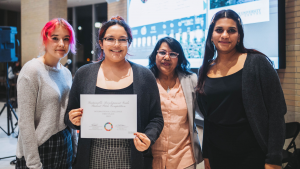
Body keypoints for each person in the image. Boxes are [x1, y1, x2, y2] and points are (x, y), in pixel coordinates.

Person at [64, 16, 164, 169]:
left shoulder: (145, 76)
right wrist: (73, 119)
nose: (116, 44)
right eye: (110, 39)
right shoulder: (84, 74)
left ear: (129, 43)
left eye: (122, 39)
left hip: (132, 157)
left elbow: (156, 118)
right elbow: (69, 115)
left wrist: (148, 138)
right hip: (92, 158)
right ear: (101, 42)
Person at [196, 10, 286, 169]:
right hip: (218, 156)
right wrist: (207, 154)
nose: (225, 35)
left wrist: (274, 158)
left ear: (239, 36)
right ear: (211, 36)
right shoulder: (205, 69)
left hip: (252, 156)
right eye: (219, 30)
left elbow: (276, 112)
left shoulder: (257, 63)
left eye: (231, 30)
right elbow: (210, 119)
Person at [16, 18, 76, 169]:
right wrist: (33, 163)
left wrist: (75, 148)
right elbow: (25, 122)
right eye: (55, 38)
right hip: (40, 147)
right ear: (45, 39)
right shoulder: (32, 70)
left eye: (66, 39)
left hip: (65, 144)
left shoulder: (67, 73)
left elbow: (69, 112)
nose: (61, 44)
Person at [149, 37, 204, 169]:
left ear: (179, 58)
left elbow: (203, 110)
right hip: (152, 157)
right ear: (155, 55)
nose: (167, 57)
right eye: (162, 52)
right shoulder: (147, 80)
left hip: (184, 157)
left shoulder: (190, 80)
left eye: (173, 54)